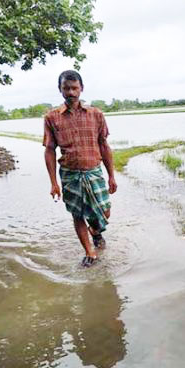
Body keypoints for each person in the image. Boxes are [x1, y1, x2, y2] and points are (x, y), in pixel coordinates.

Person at [43, 70, 117, 267]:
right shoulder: (52, 118)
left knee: (104, 211)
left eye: (74, 88)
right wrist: (53, 183)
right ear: (60, 90)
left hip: (94, 171)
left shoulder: (96, 114)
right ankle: (90, 253)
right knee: (77, 214)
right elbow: (49, 150)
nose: (71, 92)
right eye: (66, 88)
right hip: (70, 174)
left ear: (81, 89)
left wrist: (111, 176)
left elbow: (104, 146)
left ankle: (96, 231)